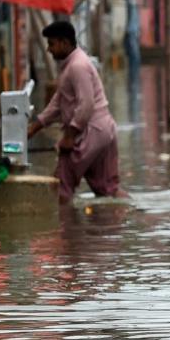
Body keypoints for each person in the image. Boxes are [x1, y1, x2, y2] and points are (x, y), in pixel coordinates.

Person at [27, 21, 127, 204]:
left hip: (90, 130)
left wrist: (69, 136)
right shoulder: (72, 65)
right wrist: (35, 127)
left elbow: (86, 104)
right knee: (108, 190)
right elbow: (58, 102)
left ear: (65, 43)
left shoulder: (77, 66)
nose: (49, 50)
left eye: (51, 44)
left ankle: (66, 230)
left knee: (61, 186)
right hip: (104, 129)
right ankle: (122, 220)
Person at [121, 0, 141, 104]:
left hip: (131, 30)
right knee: (133, 52)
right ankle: (133, 73)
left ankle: (133, 73)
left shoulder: (130, 4)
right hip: (133, 30)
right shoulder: (133, 3)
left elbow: (130, 18)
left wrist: (128, 30)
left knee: (133, 52)